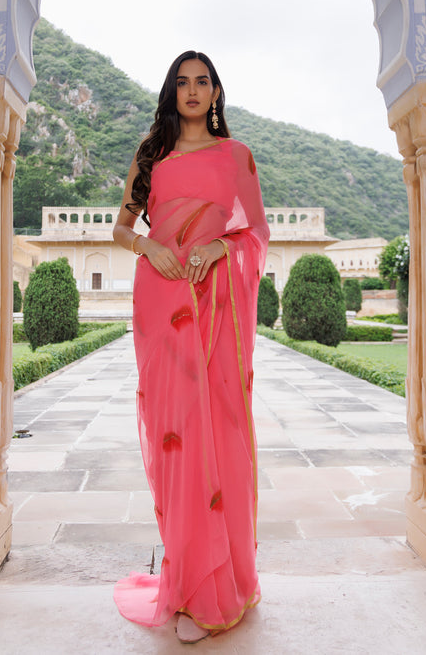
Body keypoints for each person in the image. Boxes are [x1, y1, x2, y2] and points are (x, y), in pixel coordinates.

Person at [112, 51, 269, 643]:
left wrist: (221, 251)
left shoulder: (237, 157)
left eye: (203, 81)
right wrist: (150, 249)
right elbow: (124, 230)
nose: (193, 91)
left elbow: (256, 230)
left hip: (216, 300)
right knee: (179, 440)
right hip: (162, 302)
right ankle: (185, 586)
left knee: (219, 432)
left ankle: (218, 587)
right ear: (171, 92)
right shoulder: (151, 155)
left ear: (217, 91)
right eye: (183, 82)